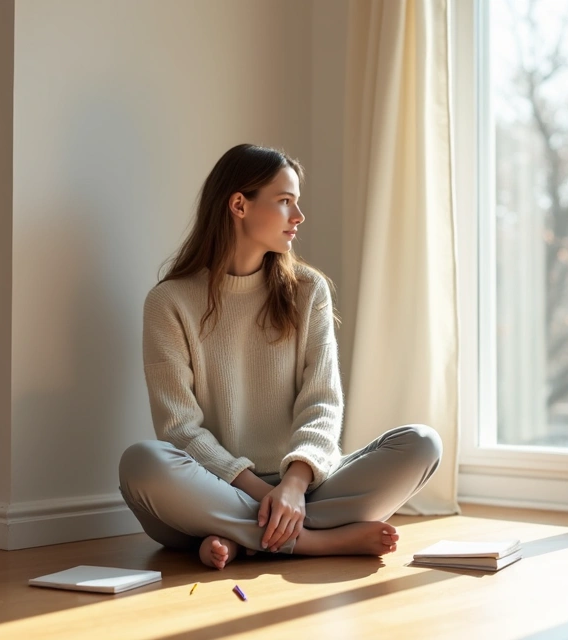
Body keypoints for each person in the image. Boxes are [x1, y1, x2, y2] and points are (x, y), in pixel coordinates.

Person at [118, 143, 442, 570]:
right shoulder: (169, 302)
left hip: (303, 487)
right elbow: (178, 429)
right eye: (285, 201)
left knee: (422, 443)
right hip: (213, 487)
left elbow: (323, 402)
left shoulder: (309, 291)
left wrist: (292, 485)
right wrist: (261, 493)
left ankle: (238, 539)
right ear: (239, 205)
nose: (298, 217)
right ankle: (314, 541)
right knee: (142, 463)